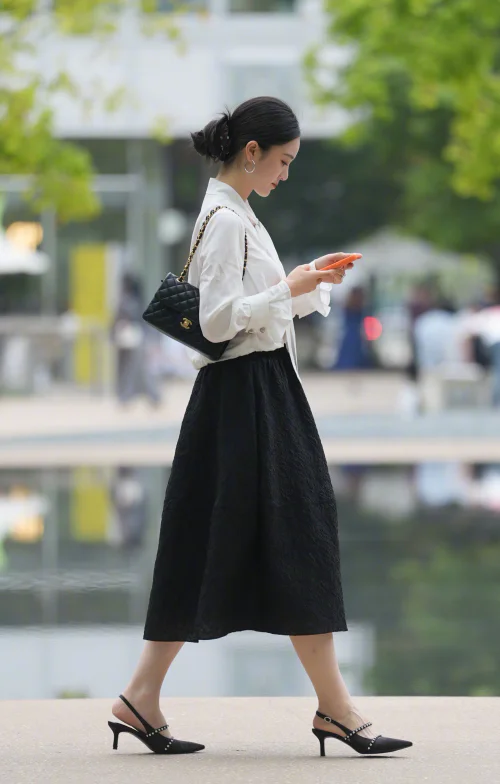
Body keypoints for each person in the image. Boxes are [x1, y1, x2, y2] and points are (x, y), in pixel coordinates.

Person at [108, 97, 412, 757]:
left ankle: (142, 697)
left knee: (218, 541)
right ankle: (333, 708)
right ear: (252, 152)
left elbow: (254, 315)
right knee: (294, 535)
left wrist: (309, 283)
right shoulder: (225, 220)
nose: (286, 173)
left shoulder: (237, 213)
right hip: (247, 396)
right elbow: (218, 322)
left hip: (252, 392)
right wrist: (288, 287)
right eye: (283, 161)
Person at [112, 274, 161, 407]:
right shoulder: (139, 300)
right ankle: (151, 396)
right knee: (139, 369)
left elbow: (119, 319)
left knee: (131, 369)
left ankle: (129, 396)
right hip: (137, 338)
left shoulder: (127, 301)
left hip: (132, 338)